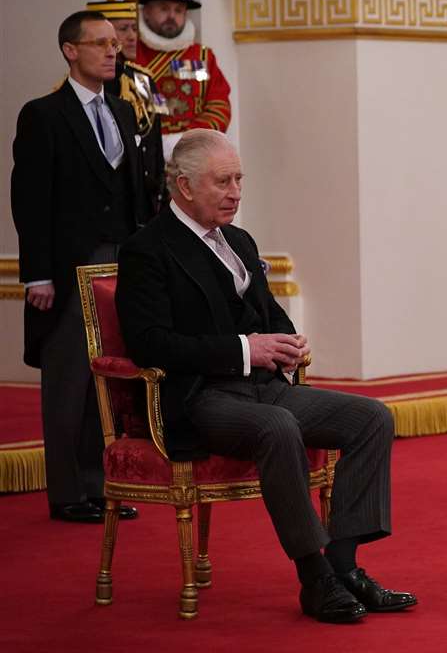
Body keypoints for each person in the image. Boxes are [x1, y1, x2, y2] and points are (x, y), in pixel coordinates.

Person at [116, 130, 416, 624]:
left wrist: (288, 343)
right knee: (279, 426)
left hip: (265, 386)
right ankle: (313, 577)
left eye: (239, 179)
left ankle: (344, 569)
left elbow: (268, 313)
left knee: (371, 418)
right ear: (185, 187)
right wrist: (244, 349)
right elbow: (151, 343)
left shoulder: (238, 240)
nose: (236, 191)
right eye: (223, 181)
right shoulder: (147, 249)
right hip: (199, 396)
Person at [12, 11, 154, 523]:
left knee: (111, 376)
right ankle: (68, 492)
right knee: (70, 376)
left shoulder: (121, 112)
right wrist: (38, 275)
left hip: (121, 261)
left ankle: (101, 485)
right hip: (70, 264)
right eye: (100, 44)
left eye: (115, 44)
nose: (112, 52)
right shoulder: (43, 114)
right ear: (71, 50)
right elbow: (29, 201)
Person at [132, 0, 231, 157]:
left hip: (194, 153)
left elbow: (219, 106)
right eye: (163, 8)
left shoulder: (203, 56)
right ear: (145, 11)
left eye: (178, 10)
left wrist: (186, 140)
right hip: (144, 155)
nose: (171, 16)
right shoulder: (130, 56)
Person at [85, 0, 166, 215]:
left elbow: (154, 138)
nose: (132, 37)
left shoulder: (144, 80)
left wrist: (160, 188)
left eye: (134, 28)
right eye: (123, 30)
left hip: (146, 198)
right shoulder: (88, 84)